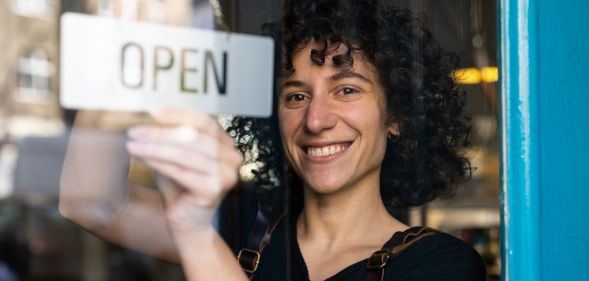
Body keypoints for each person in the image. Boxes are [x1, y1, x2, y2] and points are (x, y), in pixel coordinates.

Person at [59, 0, 486, 280]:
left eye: (347, 90)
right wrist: (126, 42)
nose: (316, 120)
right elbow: (90, 200)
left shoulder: (440, 265)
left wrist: (196, 234)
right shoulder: (246, 226)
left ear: (397, 116)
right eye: (296, 95)